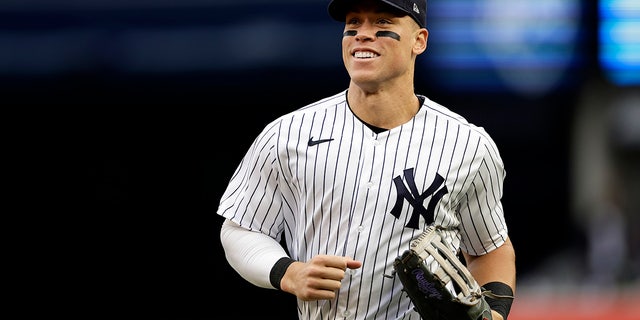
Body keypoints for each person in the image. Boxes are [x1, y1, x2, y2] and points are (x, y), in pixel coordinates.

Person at [217, 0, 517, 319]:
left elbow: (490, 249)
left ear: (419, 40)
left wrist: (496, 314)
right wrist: (288, 273)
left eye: (382, 23)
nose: (363, 34)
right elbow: (241, 229)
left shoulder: (467, 145)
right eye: (354, 23)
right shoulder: (288, 134)